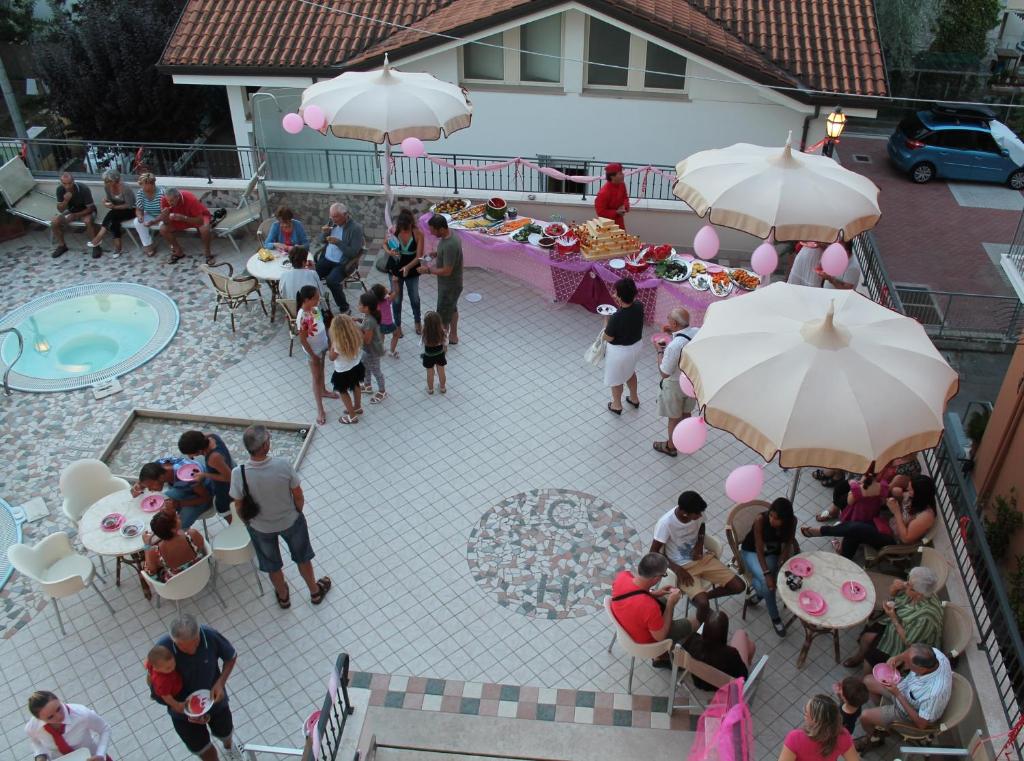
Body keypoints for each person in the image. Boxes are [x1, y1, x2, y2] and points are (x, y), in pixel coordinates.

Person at [228, 425, 332, 607]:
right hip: (290, 521)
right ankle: (314, 592)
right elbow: (297, 494)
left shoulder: (239, 473)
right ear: (265, 446)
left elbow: (238, 504)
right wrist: (297, 512)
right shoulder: (282, 465)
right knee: (303, 559)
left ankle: (283, 597)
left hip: (261, 527)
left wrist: (248, 522)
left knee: (272, 566)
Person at [152, 614, 242, 761]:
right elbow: (156, 687)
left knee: (225, 731)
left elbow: (231, 657)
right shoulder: (162, 651)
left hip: (215, 700)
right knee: (202, 749)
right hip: (183, 713)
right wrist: (177, 706)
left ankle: (230, 747)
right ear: (174, 641)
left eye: (195, 643)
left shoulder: (210, 635)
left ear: (199, 633)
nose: (192, 651)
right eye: (183, 647)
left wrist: (220, 683)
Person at [650, 491, 745, 623]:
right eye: (697, 514)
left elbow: (702, 525)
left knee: (739, 586)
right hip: (683, 568)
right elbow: (653, 553)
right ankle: (699, 626)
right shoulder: (665, 523)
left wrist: (700, 544)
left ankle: (701, 598)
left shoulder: (697, 511)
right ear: (685, 513)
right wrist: (677, 570)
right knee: (704, 604)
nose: (701, 515)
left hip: (704, 559)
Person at [802, 475, 937, 560]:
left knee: (857, 528)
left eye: (911, 489)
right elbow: (896, 495)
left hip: (894, 542)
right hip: (886, 526)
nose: (908, 491)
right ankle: (844, 554)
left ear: (920, 494)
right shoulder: (913, 498)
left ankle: (822, 531)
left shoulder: (926, 516)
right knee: (856, 526)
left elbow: (906, 538)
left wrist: (896, 512)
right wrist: (894, 497)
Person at [842, 566, 943, 668]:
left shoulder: (926, 617)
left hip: (905, 643)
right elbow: (892, 594)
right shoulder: (915, 591)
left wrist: (894, 618)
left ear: (919, 594)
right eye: (908, 580)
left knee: (870, 660)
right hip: (894, 623)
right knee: (865, 638)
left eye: (909, 585)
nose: (906, 584)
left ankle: (867, 671)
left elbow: (910, 642)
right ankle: (858, 657)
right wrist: (895, 587)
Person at [857, 644, 952, 753]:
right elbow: (910, 651)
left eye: (909, 664)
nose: (905, 664)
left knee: (864, 717)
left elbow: (921, 724)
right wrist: (897, 658)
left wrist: (898, 695)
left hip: (908, 713)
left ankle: (875, 738)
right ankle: (882, 719)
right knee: (867, 681)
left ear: (921, 669)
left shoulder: (934, 693)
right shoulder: (935, 654)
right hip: (903, 689)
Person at [609, 552, 692, 668]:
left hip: (625, 629)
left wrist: (655, 593)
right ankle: (661, 656)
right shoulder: (650, 607)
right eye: (664, 575)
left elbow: (633, 594)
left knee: (662, 603)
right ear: (656, 578)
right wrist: (670, 604)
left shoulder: (623, 576)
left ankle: (662, 656)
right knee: (694, 621)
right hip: (648, 645)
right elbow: (660, 636)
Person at [739, 497, 797, 636]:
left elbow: (789, 540)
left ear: (785, 519)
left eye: (776, 518)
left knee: (770, 584)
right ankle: (775, 617)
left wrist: (783, 554)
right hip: (752, 552)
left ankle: (759, 595)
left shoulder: (792, 521)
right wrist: (766, 574)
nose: (772, 520)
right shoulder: (760, 520)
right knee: (769, 583)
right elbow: (759, 549)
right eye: (771, 515)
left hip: (771, 552)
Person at [653, 308, 698, 456]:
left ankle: (671, 446)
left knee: (674, 418)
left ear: (674, 323)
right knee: (686, 412)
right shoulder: (696, 332)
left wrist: (659, 351)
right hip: (691, 382)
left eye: (669, 319)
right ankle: (684, 439)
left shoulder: (673, 346)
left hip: (674, 385)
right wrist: (672, 333)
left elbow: (664, 373)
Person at [294, 284, 338, 426]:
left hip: (322, 346)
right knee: (316, 377)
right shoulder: (302, 316)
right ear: (307, 300)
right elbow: (303, 339)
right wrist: (312, 355)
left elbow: (321, 326)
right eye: (316, 298)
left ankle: (323, 390)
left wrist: (329, 343)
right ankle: (320, 410)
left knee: (321, 370)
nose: (318, 300)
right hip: (313, 351)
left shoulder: (315, 309)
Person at [24, 690, 112, 761]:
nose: (59, 716)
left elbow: (105, 729)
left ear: (59, 700)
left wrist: (100, 754)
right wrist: (40, 756)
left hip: (91, 758)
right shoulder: (33, 727)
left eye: (58, 708)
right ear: (39, 719)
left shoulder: (82, 714)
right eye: (50, 717)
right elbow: (35, 741)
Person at [603, 277, 644, 416]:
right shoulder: (639, 306)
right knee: (630, 372)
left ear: (620, 297)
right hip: (636, 347)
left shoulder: (616, 317)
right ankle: (634, 398)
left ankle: (616, 405)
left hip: (619, 353)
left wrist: (606, 320)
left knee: (616, 379)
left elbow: (607, 337)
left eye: (615, 293)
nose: (613, 294)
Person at [683, 610, 754, 690]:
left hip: (700, 683)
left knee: (749, 644)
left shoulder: (693, 642)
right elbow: (743, 676)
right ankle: (749, 663)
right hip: (723, 687)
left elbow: (688, 646)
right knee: (744, 638)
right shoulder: (731, 654)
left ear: (705, 629)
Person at [132, 459, 212, 529]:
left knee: (176, 526)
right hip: (186, 488)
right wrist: (139, 485)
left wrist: (179, 503)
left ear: (161, 478)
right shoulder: (158, 466)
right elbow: (147, 478)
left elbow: (206, 498)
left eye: (150, 486)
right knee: (162, 505)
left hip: (205, 494)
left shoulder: (187, 476)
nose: (149, 490)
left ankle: (181, 538)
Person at [316, 203, 365, 313]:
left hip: (343, 263)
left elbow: (353, 253)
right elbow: (321, 241)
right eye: (331, 216)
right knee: (311, 275)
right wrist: (324, 233)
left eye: (336, 217)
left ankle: (345, 308)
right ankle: (317, 303)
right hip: (327, 259)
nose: (333, 219)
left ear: (345, 215)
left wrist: (338, 242)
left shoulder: (355, 229)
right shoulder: (332, 222)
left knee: (331, 281)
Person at [422, 214, 463, 344]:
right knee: (452, 308)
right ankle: (453, 336)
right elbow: (449, 255)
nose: (431, 233)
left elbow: (447, 271)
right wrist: (436, 254)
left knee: (443, 316)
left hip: (449, 286)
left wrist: (428, 270)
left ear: (441, 229)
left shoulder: (450, 245)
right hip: (452, 284)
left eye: (433, 230)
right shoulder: (450, 235)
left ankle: (441, 344)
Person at [779, 694, 859, 761]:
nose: (804, 711)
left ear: (816, 722)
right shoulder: (842, 735)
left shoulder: (795, 738)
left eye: (806, 713)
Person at [178, 430, 235, 520]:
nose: (189, 456)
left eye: (190, 454)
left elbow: (229, 477)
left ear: (198, 451)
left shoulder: (213, 458)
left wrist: (204, 475)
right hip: (224, 465)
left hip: (225, 489)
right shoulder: (211, 436)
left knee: (225, 511)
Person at [387, 208, 423, 335]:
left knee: (415, 298)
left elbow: (419, 256)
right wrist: (389, 252)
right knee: (396, 299)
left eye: (406, 229)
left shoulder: (418, 234)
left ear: (411, 225)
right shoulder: (394, 230)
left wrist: (407, 267)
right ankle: (397, 325)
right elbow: (384, 243)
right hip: (395, 268)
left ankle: (417, 321)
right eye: (401, 229)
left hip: (412, 268)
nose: (403, 232)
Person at [142, 510, 206, 580]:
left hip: (178, 582)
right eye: (176, 517)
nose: (179, 516)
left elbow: (151, 571)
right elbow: (201, 547)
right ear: (173, 529)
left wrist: (147, 546)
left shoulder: (154, 552)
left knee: (144, 565)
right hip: (201, 573)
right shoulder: (193, 534)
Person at [85, 169, 135, 259]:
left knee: (112, 215)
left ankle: (98, 238)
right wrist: (106, 201)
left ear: (115, 180)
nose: (105, 183)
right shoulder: (107, 187)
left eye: (107, 181)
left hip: (130, 210)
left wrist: (114, 207)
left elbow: (130, 204)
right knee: (114, 222)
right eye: (105, 181)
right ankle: (117, 248)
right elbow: (111, 200)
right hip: (117, 211)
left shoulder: (125, 188)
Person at [159, 188, 213, 265]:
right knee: (163, 229)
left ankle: (208, 253)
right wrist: (165, 216)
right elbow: (165, 222)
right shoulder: (164, 199)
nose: (169, 203)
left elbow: (200, 221)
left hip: (196, 217)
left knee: (205, 229)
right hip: (178, 218)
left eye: (171, 201)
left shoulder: (190, 199)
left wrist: (183, 218)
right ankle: (178, 252)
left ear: (178, 197)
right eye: (168, 200)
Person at [50, 172, 97, 259]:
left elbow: (91, 208)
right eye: (64, 184)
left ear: (73, 181)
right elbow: (60, 210)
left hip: (85, 210)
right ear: (61, 183)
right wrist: (65, 201)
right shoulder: (60, 189)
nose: (67, 186)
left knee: (87, 221)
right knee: (54, 222)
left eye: (69, 183)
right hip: (71, 210)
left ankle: (95, 245)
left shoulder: (83, 189)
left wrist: (75, 215)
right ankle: (62, 246)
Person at [328, 314, 365, 424]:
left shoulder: (338, 344)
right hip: (357, 366)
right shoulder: (356, 335)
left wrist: (332, 345)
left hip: (343, 372)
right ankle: (357, 406)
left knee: (343, 392)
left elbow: (331, 357)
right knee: (356, 385)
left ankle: (352, 416)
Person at [358, 291, 387, 404]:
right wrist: (357, 320)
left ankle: (382, 391)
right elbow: (365, 324)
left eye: (360, 304)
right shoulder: (368, 316)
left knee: (376, 371)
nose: (358, 305)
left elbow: (367, 340)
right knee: (365, 366)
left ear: (366, 307)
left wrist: (357, 330)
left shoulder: (370, 321)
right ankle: (367, 385)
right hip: (367, 350)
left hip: (372, 351)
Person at [145, 645, 186, 713]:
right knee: (174, 702)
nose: (173, 668)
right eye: (168, 668)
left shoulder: (152, 663)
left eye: (173, 663)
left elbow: (147, 665)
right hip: (167, 695)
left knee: (154, 689)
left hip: (157, 687)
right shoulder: (163, 681)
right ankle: (173, 709)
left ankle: (153, 695)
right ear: (156, 668)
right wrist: (177, 705)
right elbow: (166, 696)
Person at [134, 172, 166, 256]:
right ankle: (148, 245)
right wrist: (140, 216)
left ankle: (172, 244)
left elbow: (165, 212)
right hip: (151, 214)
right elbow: (138, 209)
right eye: (141, 184)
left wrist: (154, 221)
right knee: (137, 222)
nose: (141, 187)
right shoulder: (140, 193)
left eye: (143, 185)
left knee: (164, 226)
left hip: (163, 216)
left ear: (151, 184)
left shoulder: (162, 193)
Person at [595, 162, 629, 230]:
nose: (623, 175)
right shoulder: (604, 192)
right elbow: (600, 212)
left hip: (619, 221)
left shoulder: (622, 184)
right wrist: (616, 212)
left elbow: (625, 197)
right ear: (612, 176)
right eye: (620, 174)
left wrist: (624, 207)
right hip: (607, 224)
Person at [421, 310, 448, 395]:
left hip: (428, 355)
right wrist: (445, 350)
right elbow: (446, 343)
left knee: (430, 372)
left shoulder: (425, 333)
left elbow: (421, 343)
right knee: (441, 371)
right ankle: (442, 387)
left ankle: (430, 389)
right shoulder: (442, 332)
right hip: (440, 354)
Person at [371, 283, 400, 358]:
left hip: (379, 324)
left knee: (381, 336)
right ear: (383, 294)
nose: (386, 288)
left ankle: (380, 350)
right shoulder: (387, 300)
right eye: (385, 289)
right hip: (388, 324)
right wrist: (395, 282)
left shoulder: (375, 304)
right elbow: (397, 291)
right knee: (396, 334)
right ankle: (392, 351)